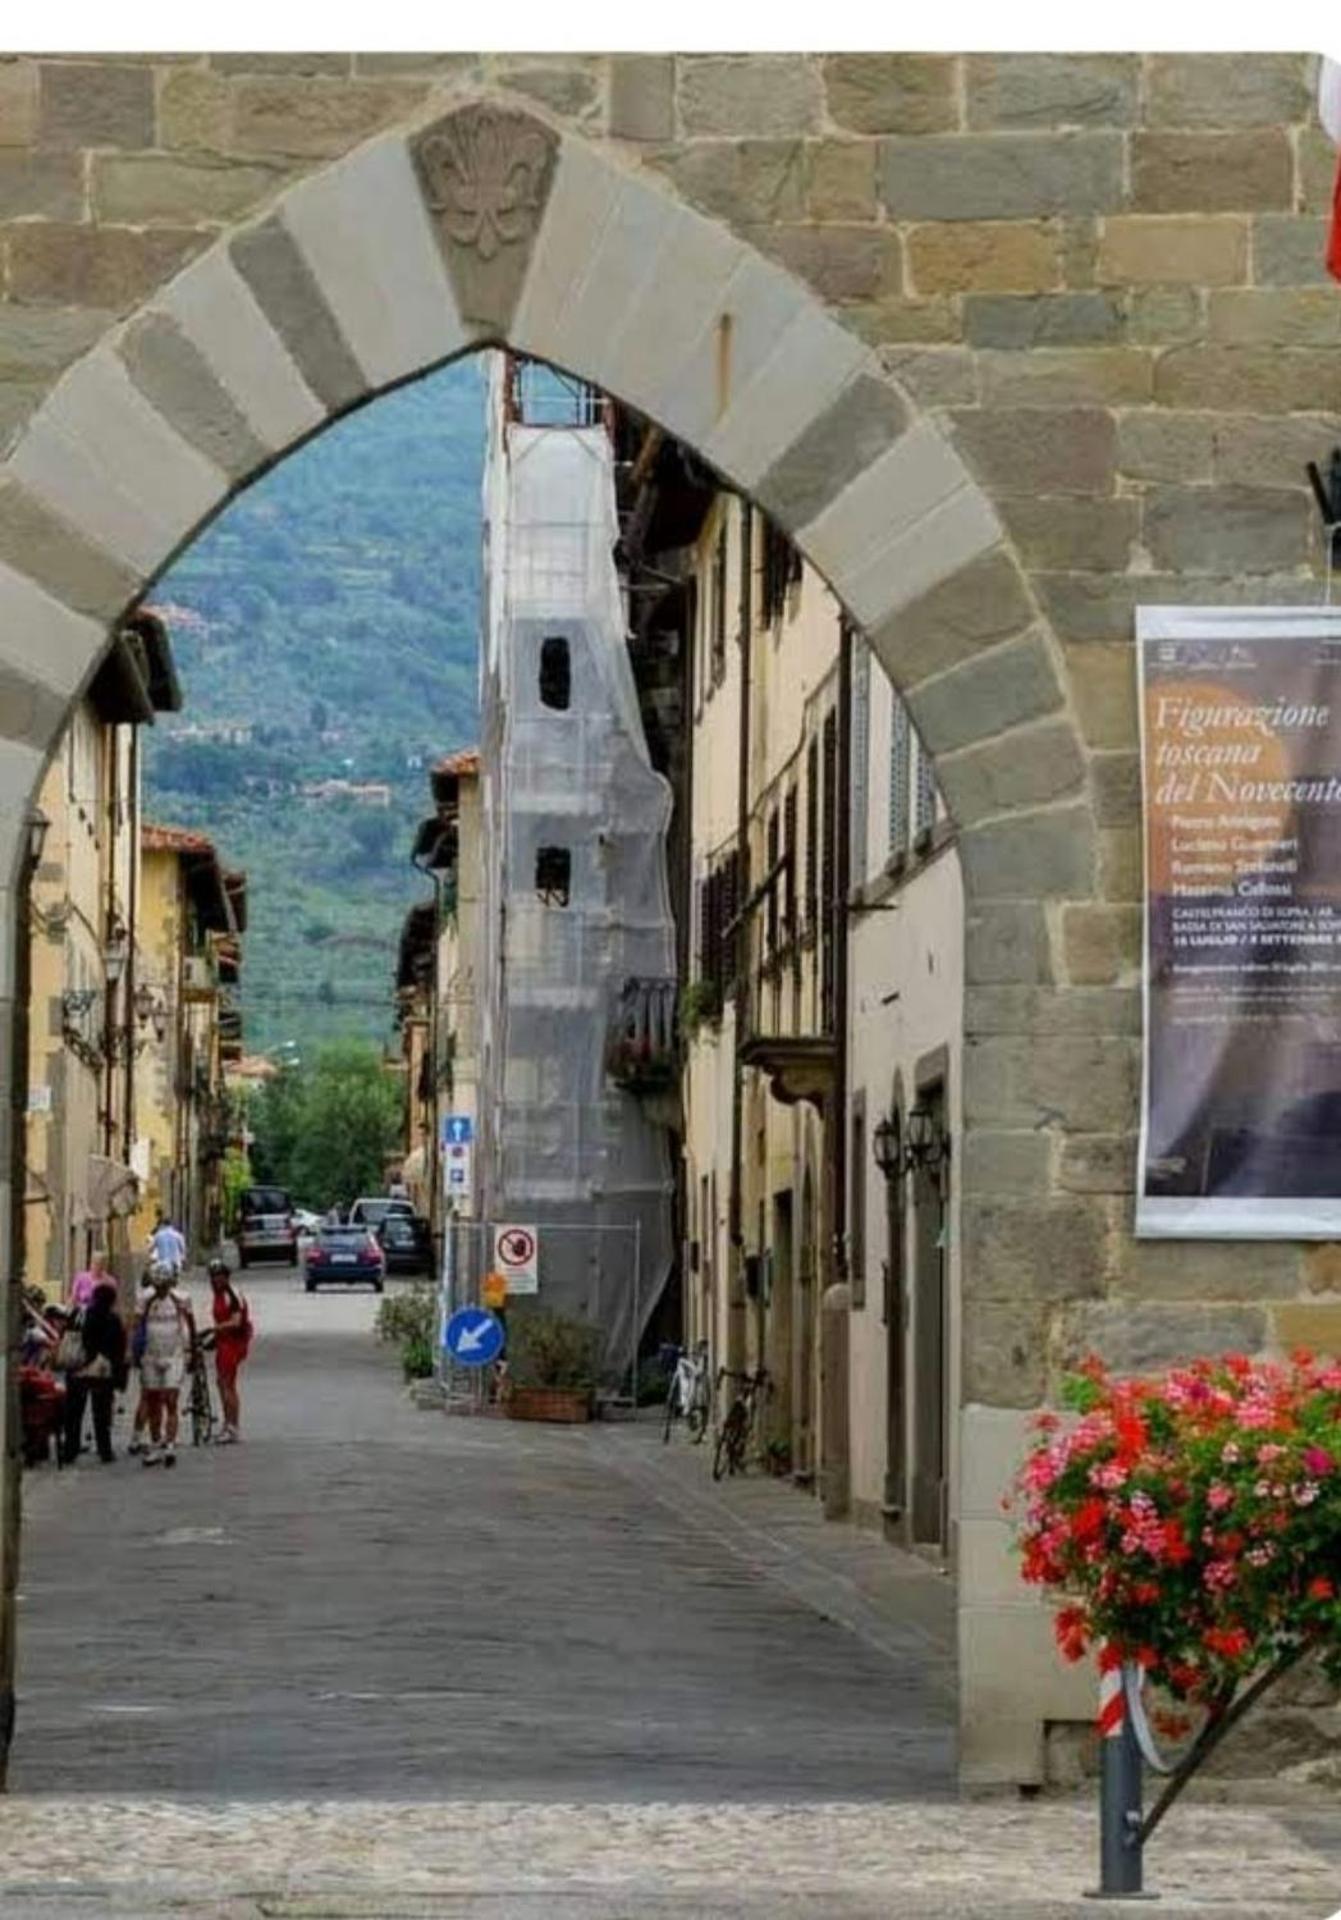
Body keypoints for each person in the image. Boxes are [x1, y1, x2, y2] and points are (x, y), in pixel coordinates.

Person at [134, 1261, 195, 1468]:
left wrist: (192, 1351)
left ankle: (169, 1445)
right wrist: (130, 1350)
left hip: (174, 1355)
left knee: (171, 1400)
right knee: (153, 1402)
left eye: (164, 1286)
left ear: (170, 1283)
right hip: (151, 1356)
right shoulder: (145, 1298)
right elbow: (136, 1323)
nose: (160, 1290)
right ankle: (155, 1444)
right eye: (157, 1286)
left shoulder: (181, 1298)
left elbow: (191, 1324)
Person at [62, 1279, 127, 1466]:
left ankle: (70, 1449)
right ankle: (104, 1450)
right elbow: (118, 1349)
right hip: (101, 1371)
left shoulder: (80, 1315)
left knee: (74, 1412)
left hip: (78, 1368)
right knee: (101, 1414)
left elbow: (67, 1335)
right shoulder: (113, 1319)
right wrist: (119, 1376)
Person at [205, 1257, 252, 1444]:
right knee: (222, 1383)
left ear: (225, 1277)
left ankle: (232, 1427)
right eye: (212, 1276)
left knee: (227, 1384)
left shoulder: (231, 1294)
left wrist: (214, 1329)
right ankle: (228, 1424)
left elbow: (236, 1321)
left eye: (218, 1276)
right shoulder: (218, 1294)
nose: (215, 1280)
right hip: (223, 1342)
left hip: (233, 1343)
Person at [68, 1246, 113, 1311]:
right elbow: (73, 1298)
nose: (97, 1267)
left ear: (104, 1265)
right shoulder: (80, 1278)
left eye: (100, 1264)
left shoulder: (109, 1281)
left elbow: (111, 1303)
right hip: (83, 1312)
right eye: (95, 1263)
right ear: (91, 1263)